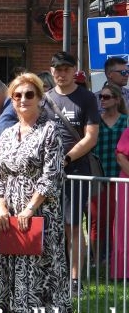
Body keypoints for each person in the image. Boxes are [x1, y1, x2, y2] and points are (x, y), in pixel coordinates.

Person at [0, 73, 71, 313]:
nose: (23, 100)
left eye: (29, 95)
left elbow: (52, 175)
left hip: (41, 213)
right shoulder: (6, 134)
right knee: (11, 267)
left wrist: (29, 207)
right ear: (11, 101)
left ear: (39, 98)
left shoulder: (50, 131)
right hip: (10, 216)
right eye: (17, 95)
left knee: (40, 269)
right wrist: (1, 206)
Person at [43, 51, 100, 296]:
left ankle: (75, 279)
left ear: (73, 70)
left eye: (66, 69)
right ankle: (55, 274)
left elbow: (91, 137)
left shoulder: (86, 98)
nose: (61, 73)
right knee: (52, 227)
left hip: (75, 169)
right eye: (57, 69)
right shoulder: (44, 99)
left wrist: (66, 158)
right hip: (47, 172)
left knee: (73, 226)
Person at [91, 84, 127, 266]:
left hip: (121, 176)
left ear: (117, 100)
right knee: (97, 220)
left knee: (118, 221)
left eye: (107, 97)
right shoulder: (95, 121)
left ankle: (115, 259)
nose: (102, 100)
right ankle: (97, 261)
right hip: (99, 176)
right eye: (101, 97)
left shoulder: (126, 121)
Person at [114, 127, 129, 279]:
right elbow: (121, 158)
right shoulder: (128, 132)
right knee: (125, 228)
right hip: (127, 184)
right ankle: (123, 271)